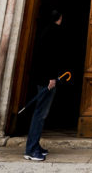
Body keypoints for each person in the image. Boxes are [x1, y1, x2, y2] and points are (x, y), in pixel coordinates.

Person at [24, 10, 63, 161]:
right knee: (40, 114)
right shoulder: (52, 33)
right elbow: (49, 57)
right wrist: (52, 78)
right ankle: (31, 149)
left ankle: (35, 146)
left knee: (40, 113)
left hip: (41, 78)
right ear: (59, 18)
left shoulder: (43, 31)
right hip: (46, 80)